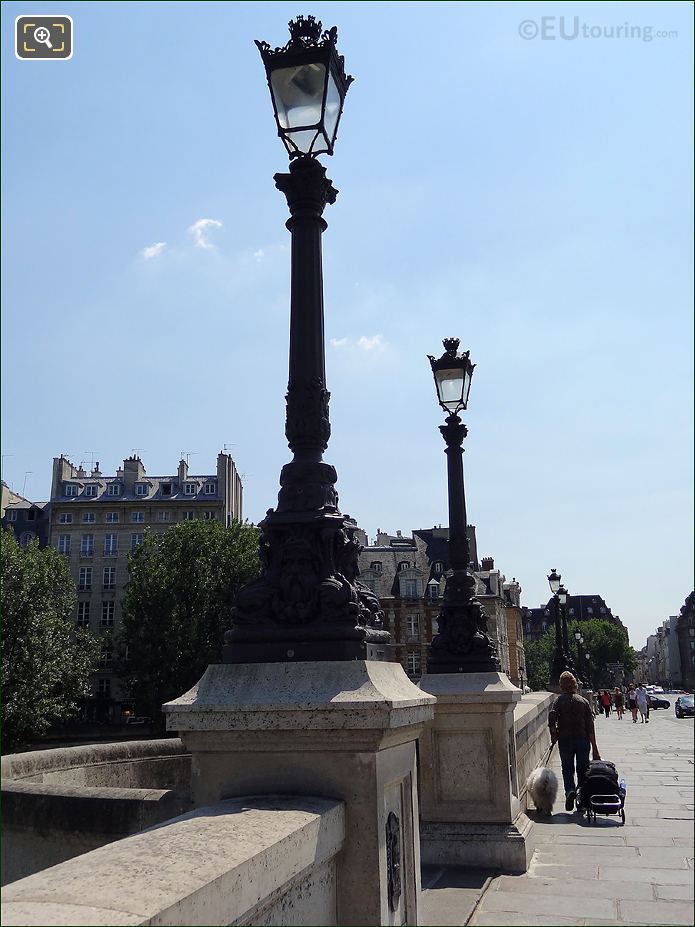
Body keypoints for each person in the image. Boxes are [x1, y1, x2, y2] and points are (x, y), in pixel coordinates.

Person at [549, 671, 601, 812]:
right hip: (583, 739)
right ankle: (582, 799)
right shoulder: (583, 702)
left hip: (565, 740)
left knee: (567, 768)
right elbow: (590, 727)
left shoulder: (558, 701)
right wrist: (595, 748)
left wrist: (553, 733)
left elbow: (552, 716)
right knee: (582, 769)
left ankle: (570, 791)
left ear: (561, 686)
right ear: (575, 684)